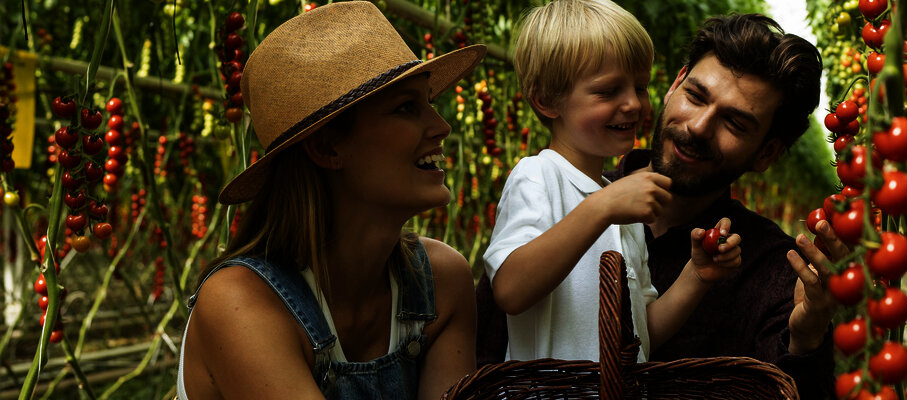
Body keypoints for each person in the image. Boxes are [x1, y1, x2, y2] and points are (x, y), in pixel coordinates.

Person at [478, 13, 839, 398]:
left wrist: (805, 339)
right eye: (696, 96)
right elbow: (500, 310)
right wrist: (603, 206)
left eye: (734, 123)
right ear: (675, 85)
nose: (698, 126)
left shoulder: (774, 270)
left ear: (766, 153)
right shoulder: (551, 187)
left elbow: (640, 331)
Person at [177, 2, 485, 399]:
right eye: (407, 107)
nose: (441, 127)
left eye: (430, 102)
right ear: (327, 146)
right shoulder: (240, 301)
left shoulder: (442, 281)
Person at [483, 0, 743, 363]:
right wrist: (602, 208)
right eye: (608, 91)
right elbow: (510, 290)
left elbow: (641, 333)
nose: (634, 104)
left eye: (640, 87)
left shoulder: (619, 205)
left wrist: (696, 276)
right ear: (547, 100)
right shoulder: (539, 176)